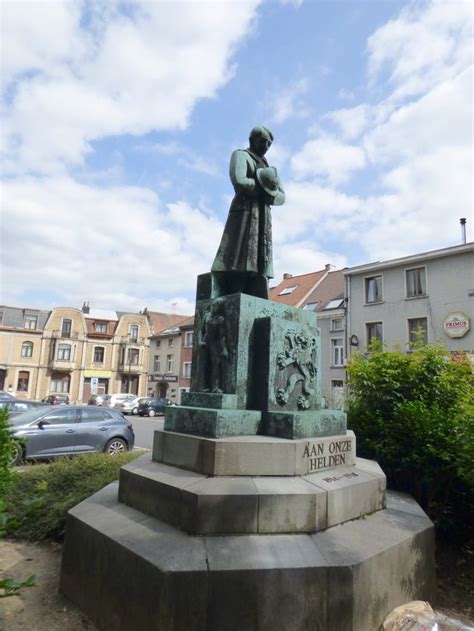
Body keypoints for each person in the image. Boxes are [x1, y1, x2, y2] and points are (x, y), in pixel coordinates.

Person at [211, 126, 285, 299]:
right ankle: (234, 289)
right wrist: (264, 187)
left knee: (261, 258)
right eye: (263, 141)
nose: (266, 145)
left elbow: (282, 196)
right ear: (253, 139)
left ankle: (257, 288)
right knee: (240, 253)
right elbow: (239, 180)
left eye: (269, 143)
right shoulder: (241, 155)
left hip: (263, 217)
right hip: (245, 212)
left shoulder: (270, 168)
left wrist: (269, 192)